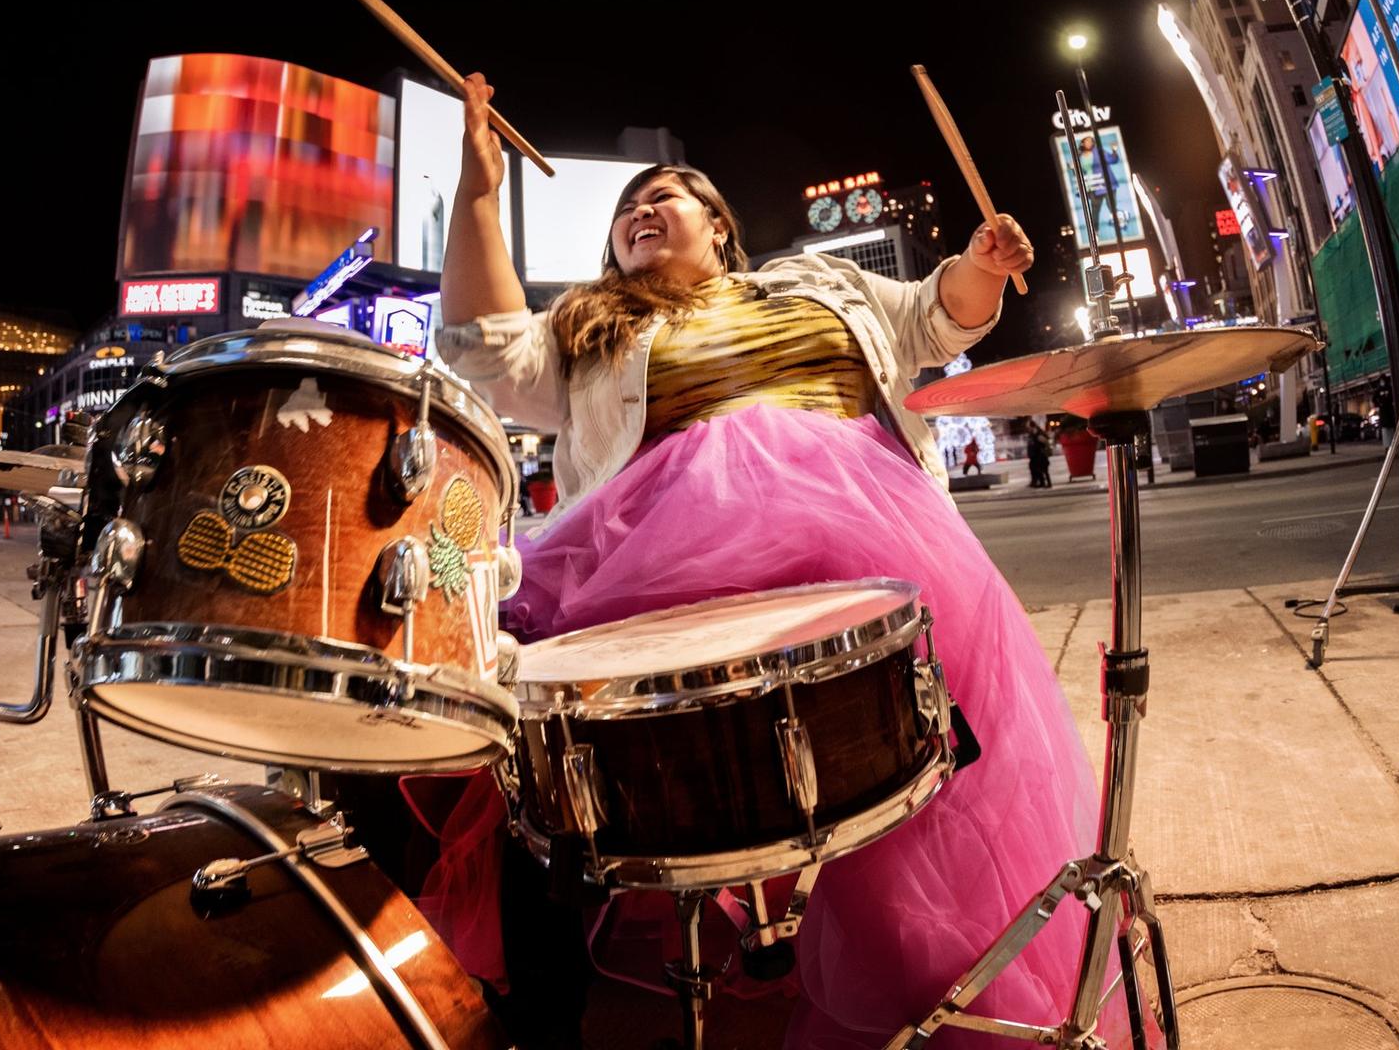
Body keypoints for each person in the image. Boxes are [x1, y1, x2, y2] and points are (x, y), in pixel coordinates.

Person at [422, 74, 1103, 1047]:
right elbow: (483, 349)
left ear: (718, 220)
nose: (639, 212)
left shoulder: (822, 282)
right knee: (518, 728)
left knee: (927, 770)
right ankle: (547, 1013)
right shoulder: (590, 328)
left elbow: (932, 317)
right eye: (624, 210)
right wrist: (481, 196)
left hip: (862, 536)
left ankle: (943, 973)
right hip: (650, 562)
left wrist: (981, 267)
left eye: (662, 195)